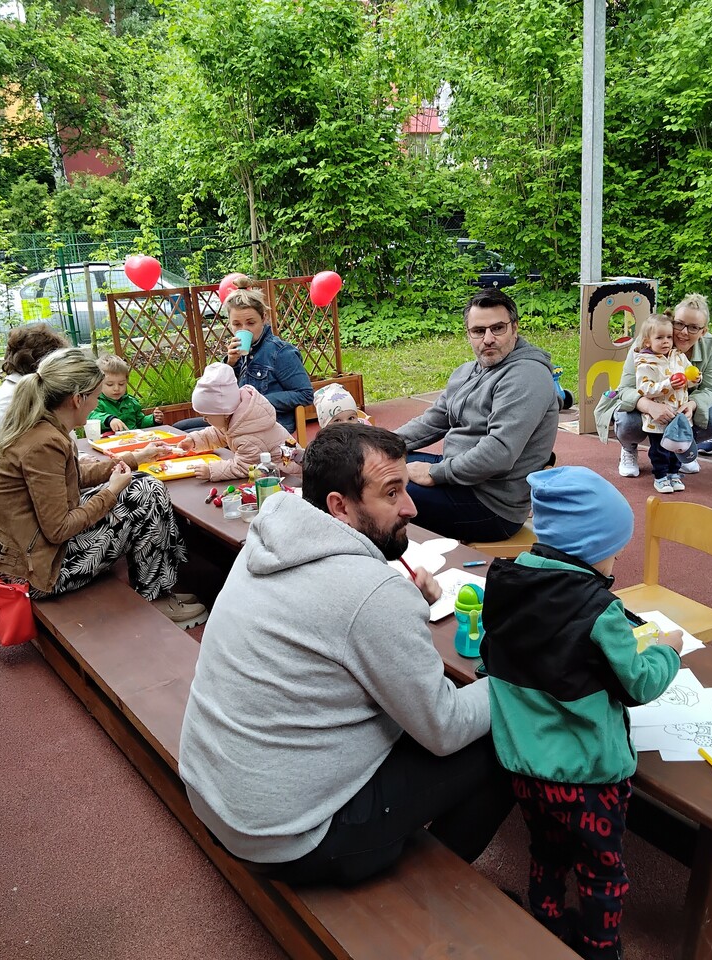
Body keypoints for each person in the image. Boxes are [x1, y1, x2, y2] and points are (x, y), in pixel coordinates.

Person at [177, 423, 514, 884]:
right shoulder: (373, 594)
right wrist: (514, 682)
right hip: (288, 839)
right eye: (391, 493)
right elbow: (446, 728)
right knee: (504, 736)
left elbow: (338, 626)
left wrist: (401, 606)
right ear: (340, 506)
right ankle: (441, 891)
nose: (411, 507)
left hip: (214, 794)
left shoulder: (270, 540)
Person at [480, 466, 682, 960]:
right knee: (602, 872)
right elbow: (639, 684)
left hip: (523, 764)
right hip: (587, 777)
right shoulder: (601, 612)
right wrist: (668, 652)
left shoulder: (504, 580)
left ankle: (547, 920)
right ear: (592, 549)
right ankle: (600, 948)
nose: (617, 559)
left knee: (547, 851)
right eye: (615, 549)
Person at [0, 348, 207, 627]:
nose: (97, 403)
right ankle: (156, 596)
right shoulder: (44, 443)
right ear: (77, 399)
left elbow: (70, 478)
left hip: (20, 553)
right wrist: (111, 492)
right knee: (145, 493)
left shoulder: (39, 425)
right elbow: (58, 528)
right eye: (96, 396)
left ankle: (160, 582)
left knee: (142, 484)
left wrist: (135, 459)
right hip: (31, 572)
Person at [395, 288, 560, 542]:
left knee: (376, 491)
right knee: (380, 464)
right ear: (468, 334)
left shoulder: (527, 376)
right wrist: (378, 444)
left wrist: (434, 473)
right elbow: (434, 419)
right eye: (479, 331)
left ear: (515, 328)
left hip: (492, 507)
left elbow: (499, 453)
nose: (488, 339)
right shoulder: (468, 371)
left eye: (498, 328)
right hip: (461, 477)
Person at [594, 294, 712, 476]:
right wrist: (649, 406)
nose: (684, 332)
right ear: (672, 321)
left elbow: (711, 388)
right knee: (628, 423)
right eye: (679, 324)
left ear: (703, 331)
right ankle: (629, 448)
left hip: (680, 407)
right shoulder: (647, 340)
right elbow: (625, 388)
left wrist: (693, 404)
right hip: (647, 401)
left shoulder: (710, 345)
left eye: (694, 327)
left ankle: (682, 448)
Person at [175, 274, 314, 434]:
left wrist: (256, 402)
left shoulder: (281, 352)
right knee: (179, 427)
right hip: (236, 419)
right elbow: (221, 393)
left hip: (267, 425)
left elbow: (305, 394)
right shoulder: (238, 352)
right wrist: (230, 364)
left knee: (189, 436)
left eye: (250, 323)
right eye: (237, 324)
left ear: (264, 318)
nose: (244, 329)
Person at [0, 323, 70, 481]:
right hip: (10, 486)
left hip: (4, 480)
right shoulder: (19, 399)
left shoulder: (13, 389)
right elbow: (43, 457)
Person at [176, 362, 301, 482]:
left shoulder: (250, 435)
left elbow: (244, 467)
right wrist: (194, 441)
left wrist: (212, 470)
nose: (205, 420)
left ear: (224, 412)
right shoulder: (238, 418)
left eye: (206, 416)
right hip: (271, 473)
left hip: (288, 479)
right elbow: (218, 433)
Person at [632, 314, 692, 495]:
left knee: (678, 446)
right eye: (659, 337)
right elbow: (644, 388)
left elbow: (688, 374)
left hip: (678, 415)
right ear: (647, 341)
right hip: (658, 419)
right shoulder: (645, 362)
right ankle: (660, 476)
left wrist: (694, 378)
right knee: (660, 449)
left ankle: (674, 473)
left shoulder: (678, 356)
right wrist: (668, 384)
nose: (666, 341)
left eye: (669, 337)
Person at [89, 354, 162, 434]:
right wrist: (109, 419)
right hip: (108, 440)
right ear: (98, 384)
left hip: (132, 439)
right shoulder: (96, 403)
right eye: (110, 384)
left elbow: (140, 422)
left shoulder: (131, 402)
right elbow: (92, 417)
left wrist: (153, 419)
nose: (116, 388)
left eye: (121, 384)